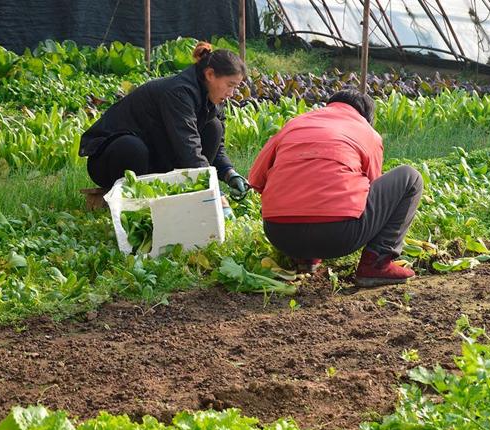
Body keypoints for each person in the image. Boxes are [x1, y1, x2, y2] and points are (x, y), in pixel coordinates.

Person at [248, 90, 423, 287]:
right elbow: (371, 187)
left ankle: (304, 258)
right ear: (367, 118)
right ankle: (376, 264)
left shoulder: (294, 124)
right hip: (339, 236)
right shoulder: (366, 132)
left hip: (280, 234)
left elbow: (255, 179)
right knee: (411, 177)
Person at [78, 41, 249, 202]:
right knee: (132, 147)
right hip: (110, 159)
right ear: (210, 74)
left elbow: (217, 147)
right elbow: (188, 146)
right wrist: (213, 193)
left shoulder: (214, 100)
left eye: (236, 87)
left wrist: (229, 173)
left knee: (214, 128)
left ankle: (185, 191)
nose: (232, 93)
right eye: (230, 85)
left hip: (154, 155)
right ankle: (132, 199)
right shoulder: (179, 93)